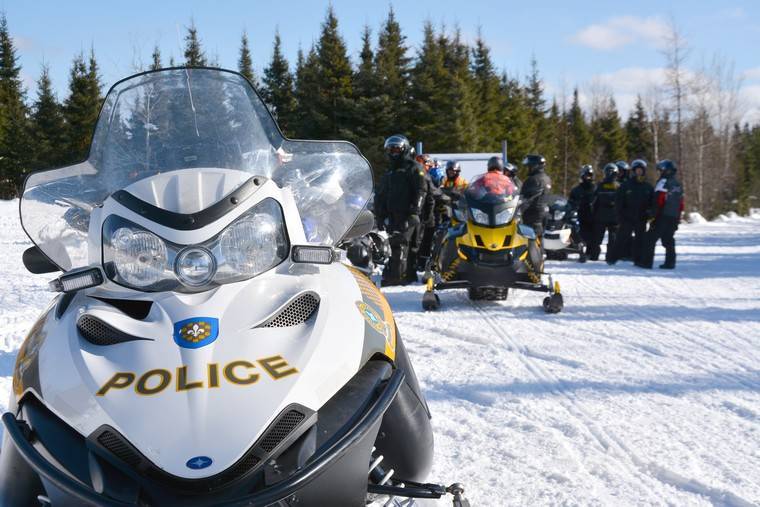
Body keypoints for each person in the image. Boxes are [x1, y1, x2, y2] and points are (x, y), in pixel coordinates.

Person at [374, 135, 427, 285]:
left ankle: (397, 277)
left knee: (400, 242)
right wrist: (379, 215)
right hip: (392, 214)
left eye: (397, 148)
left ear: (404, 149)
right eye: (391, 149)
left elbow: (421, 190)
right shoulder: (391, 171)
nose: (394, 152)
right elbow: (382, 194)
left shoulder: (414, 168)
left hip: (408, 213)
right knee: (392, 243)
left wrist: (415, 212)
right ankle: (403, 273)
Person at [638, 159, 684, 269]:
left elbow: (659, 200)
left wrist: (652, 215)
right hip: (673, 216)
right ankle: (670, 262)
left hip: (662, 215)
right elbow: (681, 204)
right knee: (668, 239)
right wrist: (678, 218)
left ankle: (646, 263)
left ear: (666, 171)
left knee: (650, 238)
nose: (659, 172)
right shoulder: (678, 184)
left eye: (660, 170)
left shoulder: (663, 182)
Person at [608, 159, 653, 265]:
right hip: (627, 218)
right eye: (637, 170)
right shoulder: (626, 185)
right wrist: (620, 216)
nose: (639, 172)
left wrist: (650, 213)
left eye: (641, 170)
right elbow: (618, 202)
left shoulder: (648, 187)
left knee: (640, 240)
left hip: (641, 218)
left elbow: (652, 202)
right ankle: (612, 258)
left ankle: (638, 259)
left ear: (644, 171)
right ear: (633, 171)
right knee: (620, 239)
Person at [587, 163, 620, 261]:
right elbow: (593, 201)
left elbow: (593, 201)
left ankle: (599, 255)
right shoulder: (617, 186)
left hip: (605, 216)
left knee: (602, 238)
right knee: (602, 238)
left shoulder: (602, 186)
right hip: (607, 216)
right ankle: (606, 256)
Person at [519, 154, 552, 238]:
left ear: (535, 166)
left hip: (532, 215)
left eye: (529, 166)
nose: (528, 169)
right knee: (539, 240)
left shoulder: (533, 180)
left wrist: (518, 210)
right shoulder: (546, 178)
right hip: (542, 213)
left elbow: (527, 198)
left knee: (531, 242)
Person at [568, 165, 596, 259]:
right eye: (586, 175)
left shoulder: (595, 189)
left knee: (593, 237)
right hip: (580, 215)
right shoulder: (576, 190)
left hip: (593, 216)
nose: (588, 177)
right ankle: (580, 251)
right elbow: (570, 202)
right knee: (580, 234)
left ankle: (591, 253)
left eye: (590, 175)